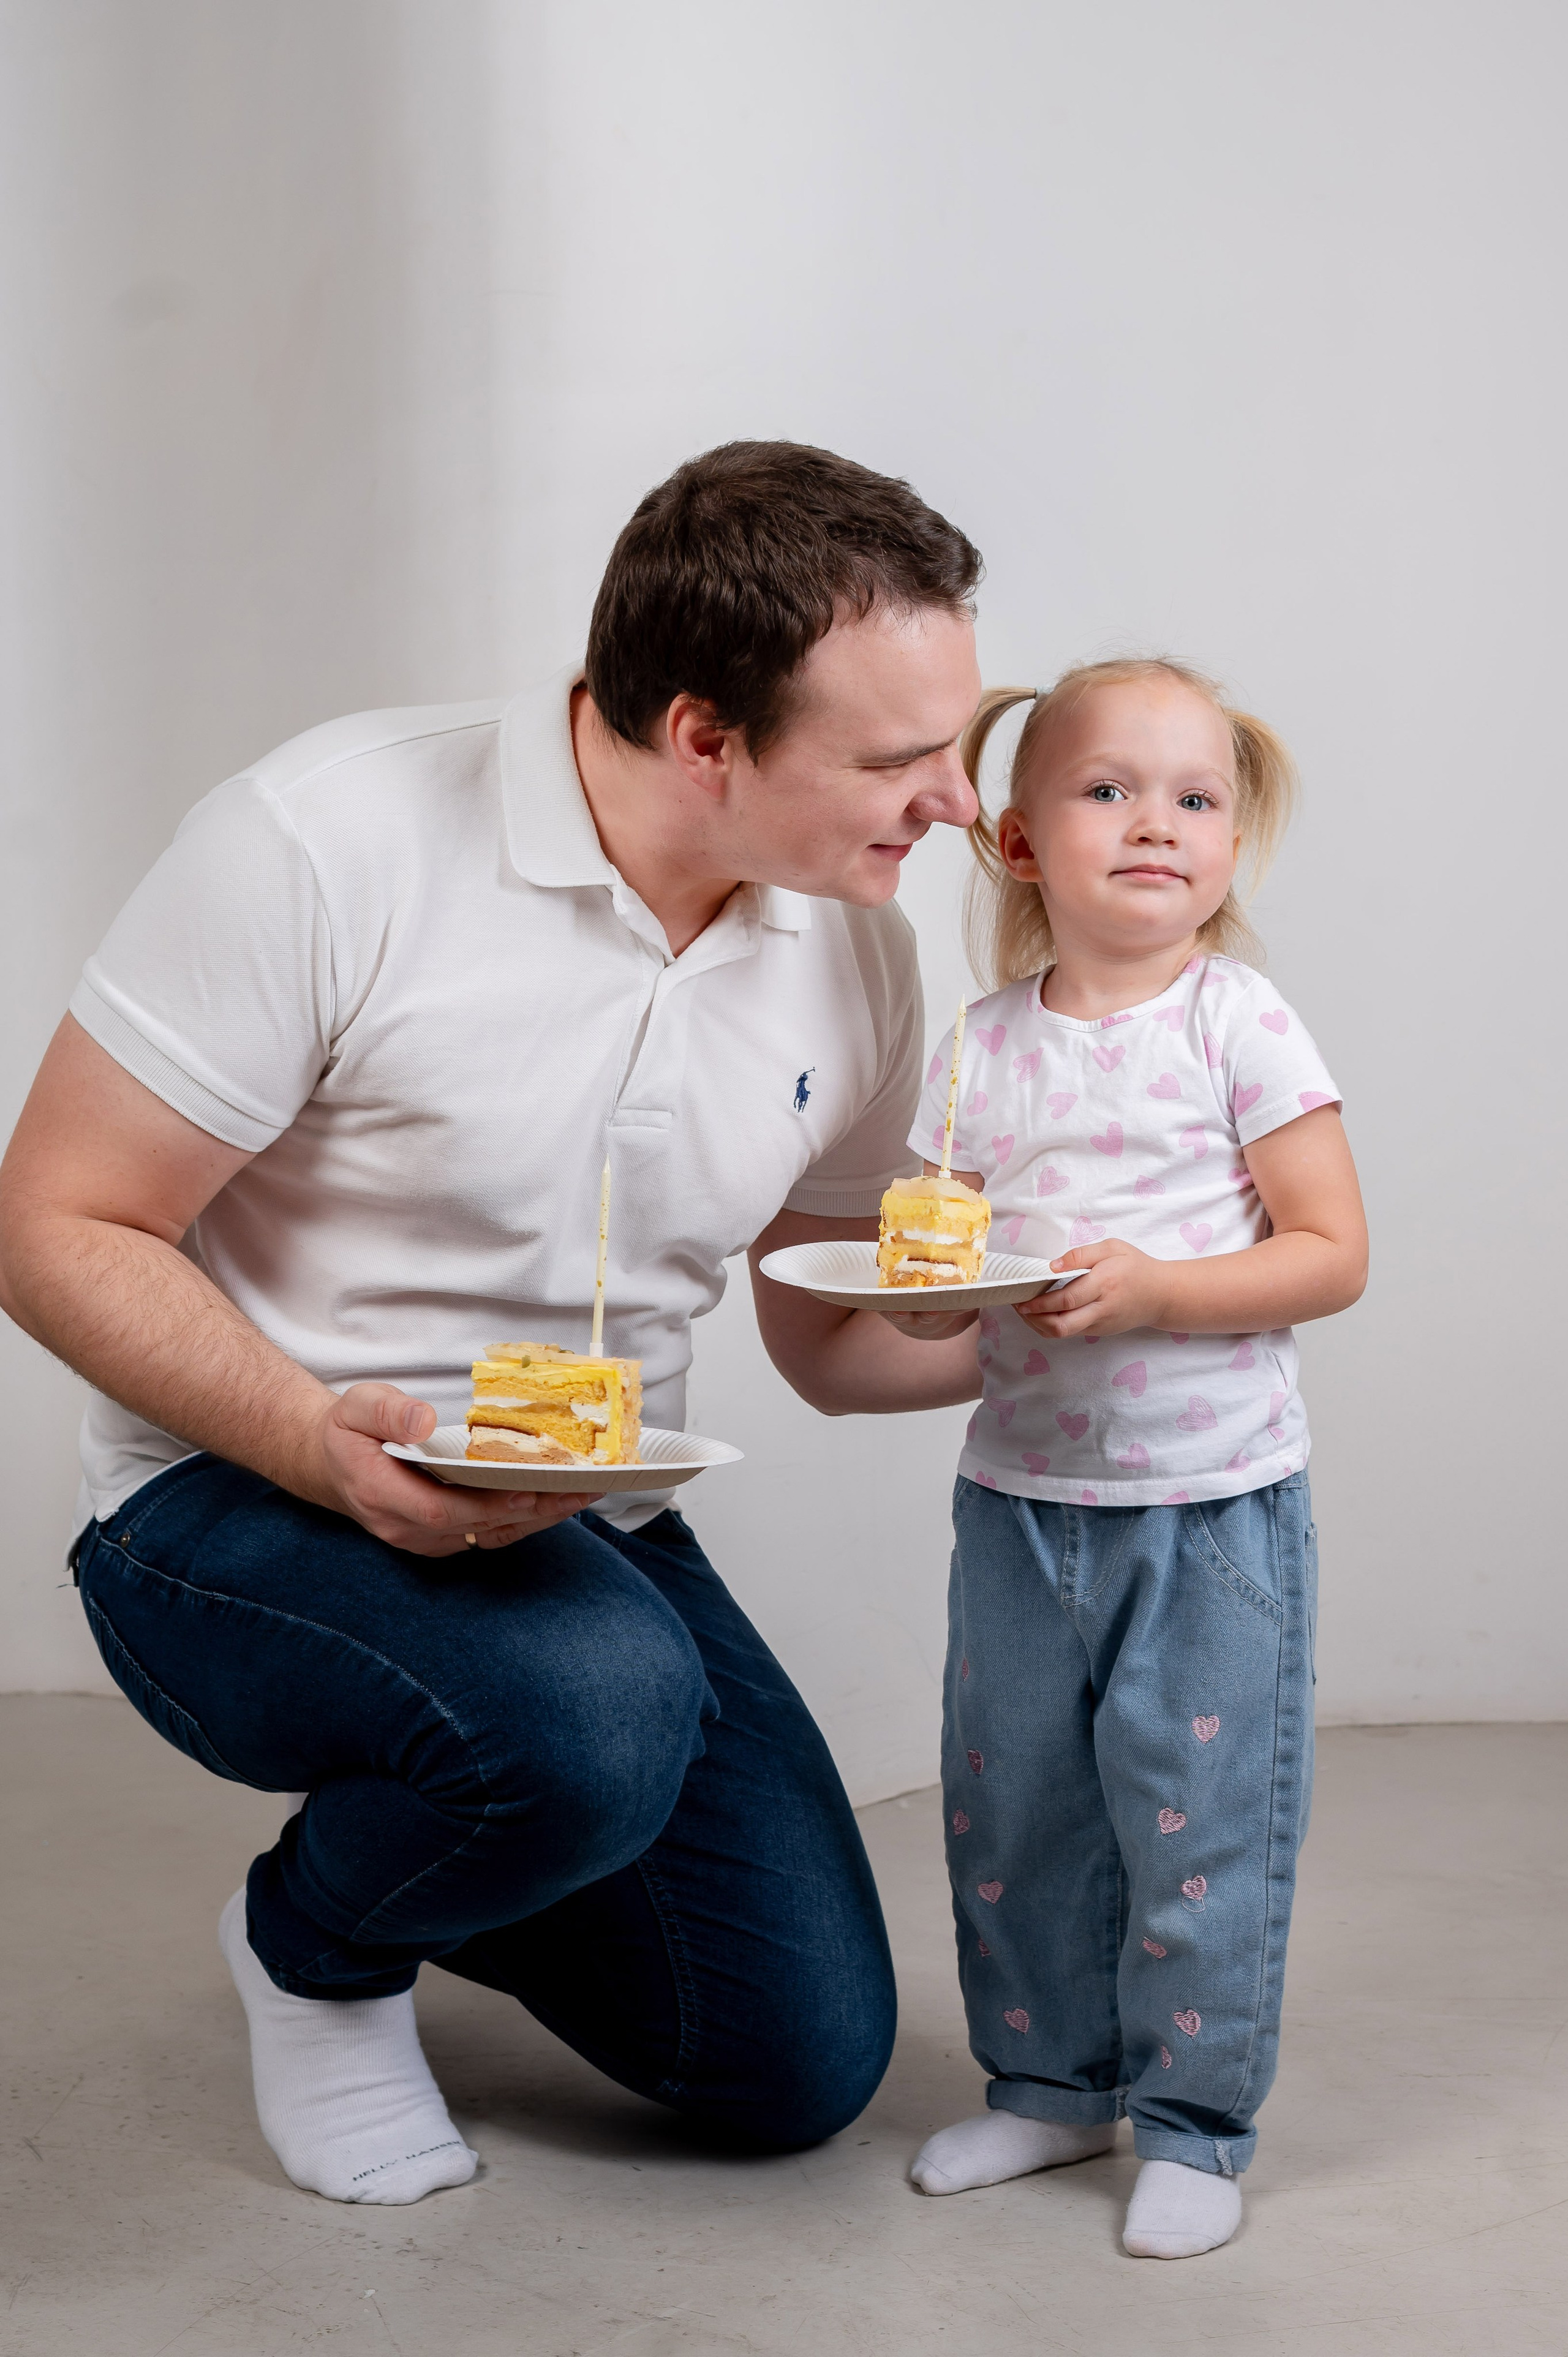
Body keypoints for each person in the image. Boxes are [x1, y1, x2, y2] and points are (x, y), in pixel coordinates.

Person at [0, 442, 991, 2206]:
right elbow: (55, 1224)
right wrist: (317, 1438)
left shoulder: (859, 943)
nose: (959, 806)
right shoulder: (326, 837)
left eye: (961, 746)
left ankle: (497, 1799)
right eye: (902, 760)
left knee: (792, 2064)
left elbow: (829, 1343)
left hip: (589, 1523)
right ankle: (314, 1947)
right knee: (598, 1707)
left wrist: (1071, 1323)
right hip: (237, 1501)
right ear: (706, 736)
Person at [877, 658, 1367, 2257]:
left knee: (1195, 1814)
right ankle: (1049, 2084)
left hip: (1211, 1508)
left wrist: (1159, 1290)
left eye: (1196, 798)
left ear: (1231, 844)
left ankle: (1194, 2123)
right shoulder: (977, 1046)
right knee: (1013, 1807)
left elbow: (1330, 1252)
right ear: (1019, 843)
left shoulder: (1242, 1019)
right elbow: (939, 1271)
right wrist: (916, 1286)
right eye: (1109, 790)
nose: (1157, 822)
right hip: (1020, 1501)